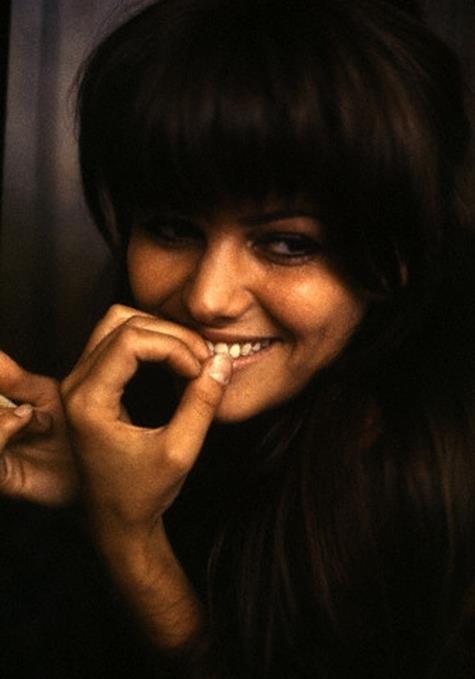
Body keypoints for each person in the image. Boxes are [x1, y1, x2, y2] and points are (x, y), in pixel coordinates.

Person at [2, 0, 475, 677]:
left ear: (394, 254)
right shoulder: (134, 408)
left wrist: (130, 538)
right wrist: (88, 482)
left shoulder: (442, 485)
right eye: (172, 228)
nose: (207, 298)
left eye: (286, 243)